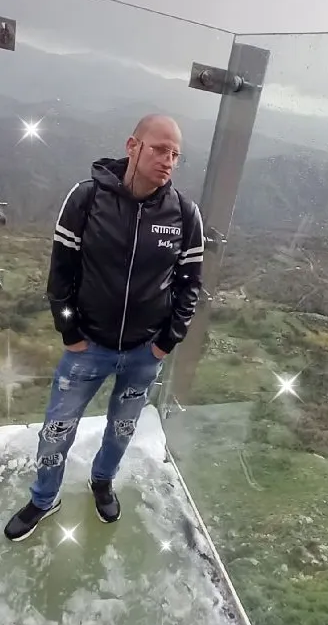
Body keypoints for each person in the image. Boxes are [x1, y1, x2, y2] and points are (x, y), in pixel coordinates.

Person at [4, 114, 204, 542]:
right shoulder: (85, 199)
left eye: (174, 154)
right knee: (57, 429)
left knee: (122, 427)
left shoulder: (185, 215)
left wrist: (167, 342)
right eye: (158, 149)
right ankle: (43, 498)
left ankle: (102, 480)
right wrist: (70, 333)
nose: (167, 160)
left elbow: (190, 285)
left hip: (144, 352)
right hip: (87, 346)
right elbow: (61, 275)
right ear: (133, 145)